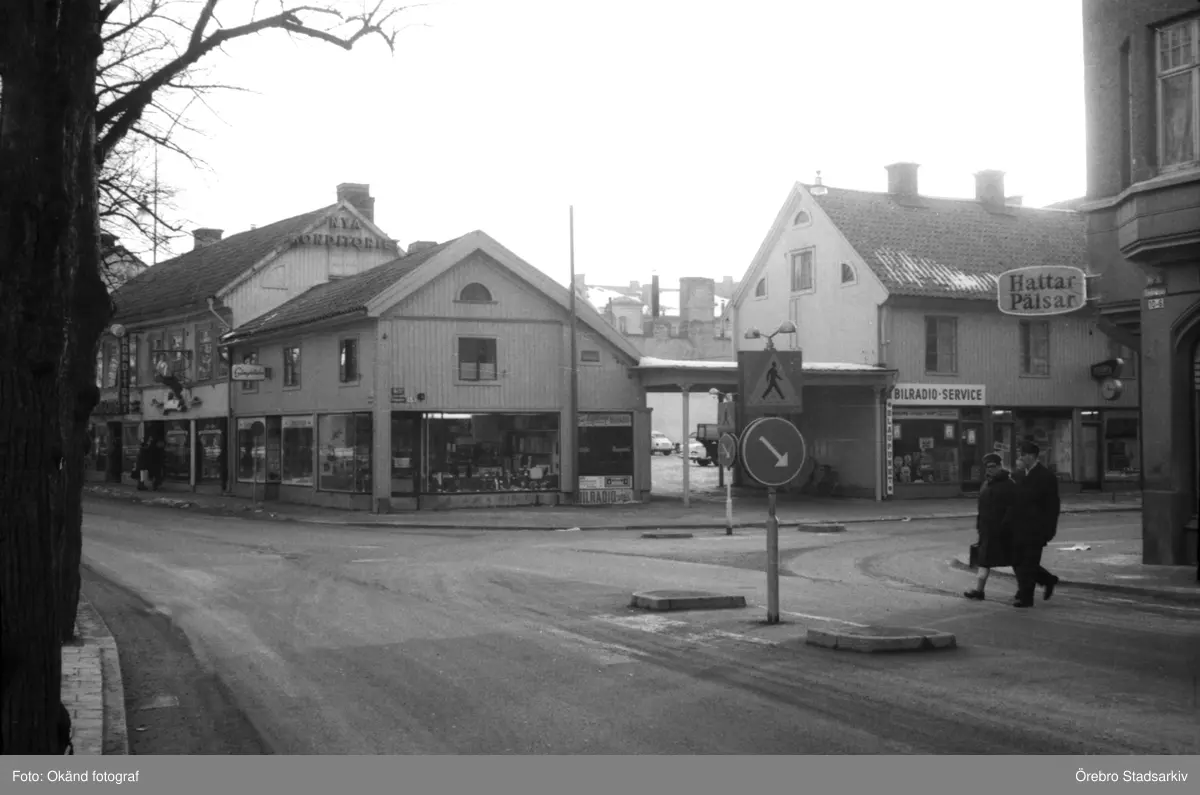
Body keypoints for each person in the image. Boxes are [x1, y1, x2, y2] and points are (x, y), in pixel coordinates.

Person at [1010, 440, 1061, 608]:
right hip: (1019, 527)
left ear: (1031, 456)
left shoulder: (1046, 477)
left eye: (1022, 455)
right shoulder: (1020, 475)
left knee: (1028, 563)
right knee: (1017, 560)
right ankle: (1047, 580)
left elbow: (1052, 506)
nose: (1020, 458)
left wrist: (1048, 530)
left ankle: (1026, 598)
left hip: (1036, 529)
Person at [964, 452, 1016, 600]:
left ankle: (1029, 588)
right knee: (984, 561)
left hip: (1003, 531)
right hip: (987, 531)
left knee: (1016, 560)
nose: (989, 469)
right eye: (987, 467)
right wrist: (979, 525)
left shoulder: (1009, 484)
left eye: (993, 466)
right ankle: (979, 591)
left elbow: (1012, 508)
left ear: (1000, 466)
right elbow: (981, 507)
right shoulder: (986, 484)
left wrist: (1005, 526)